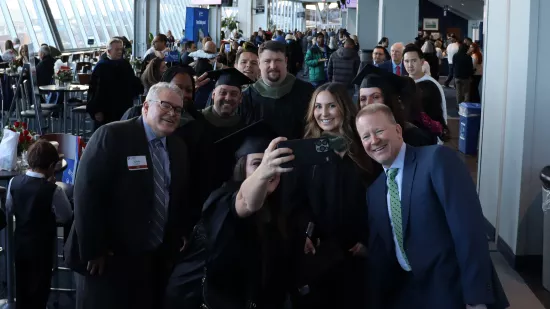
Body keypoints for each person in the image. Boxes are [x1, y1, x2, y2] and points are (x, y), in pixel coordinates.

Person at [355, 103, 509, 309]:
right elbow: (380, 255)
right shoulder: (374, 192)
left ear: (398, 130)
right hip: (408, 294)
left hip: (451, 291)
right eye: (366, 136)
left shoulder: (436, 160)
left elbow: (469, 231)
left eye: (379, 130)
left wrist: (476, 297)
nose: (374, 140)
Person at [68, 83, 197, 309]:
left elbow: (176, 194)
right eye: (165, 105)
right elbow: (86, 193)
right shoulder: (112, 135)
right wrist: (94, 249)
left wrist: (180, 231)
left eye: (178, 110)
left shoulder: (178, 146)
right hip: (108, 257)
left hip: (151, 257)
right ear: (146, 107)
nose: (172, 113)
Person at [287, 83, 379, 309]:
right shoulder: (307, 150)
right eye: (318, 107)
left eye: (331, 106)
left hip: (355, 251)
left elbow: (379, 200)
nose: (323, 113)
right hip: (320, 251)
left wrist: (369, 242)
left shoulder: (363, 147)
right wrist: (305, 233)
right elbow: (297, 200)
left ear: (345, 108)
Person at [200, 121, 295, 309]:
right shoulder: (224, 198)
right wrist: (263, 173)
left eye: (270, 164)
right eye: (257, 164)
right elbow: (246, 202)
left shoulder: (278, 203)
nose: (268, 170)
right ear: (241, 167)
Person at [6, 140, 72, 309]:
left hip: (20, 242)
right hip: (42, 246)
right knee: (40, 288)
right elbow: (66, 215)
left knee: (22, 284)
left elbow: (9, 208)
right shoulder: (53, 190)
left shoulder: (14, 182)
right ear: (51, 166)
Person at [240, 41, 314, 140]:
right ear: (259, 63)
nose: (273, 66)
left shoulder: (307, 91)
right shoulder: (246, 98)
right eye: (267, 61)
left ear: (286, 62)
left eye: (278, 60)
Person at [352, 64, 436, 146]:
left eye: (375, 97)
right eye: (363, 99)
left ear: (388, 100)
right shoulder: (356, 136)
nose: (368, 103)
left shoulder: (413, 136)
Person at [86, 38, 143, 130]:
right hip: (107, 109)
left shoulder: (125, 64)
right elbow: (95, 89)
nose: (120, 52)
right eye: (117, 49)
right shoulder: (101, 66)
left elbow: (132, 82)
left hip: (124, 106)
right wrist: (96, 110)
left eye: (121, 49)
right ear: (109, 51)